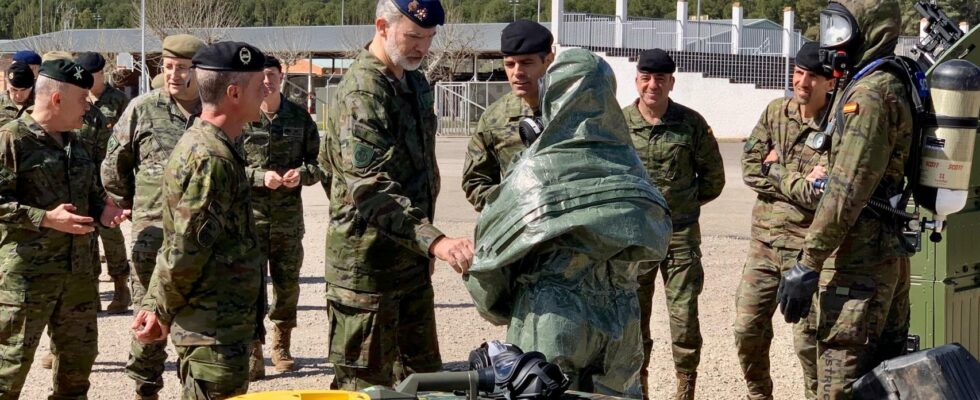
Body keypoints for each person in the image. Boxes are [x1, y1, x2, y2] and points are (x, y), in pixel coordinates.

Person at [465, 48, 672, 398]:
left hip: (552, 313)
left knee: (540, 391)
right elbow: (656, 236)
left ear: (553, 96)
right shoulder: (632, 167)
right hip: (622, 317)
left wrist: (501, 305)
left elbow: (490, 262)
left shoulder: (534, 170)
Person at [318, 0, 475, 390]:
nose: (421, 48)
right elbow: (368, 187)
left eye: (428, 38)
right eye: (413, 36)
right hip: (367, 275)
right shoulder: (363, 91)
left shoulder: (413, 81)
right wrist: (433, 240)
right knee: (365, 390)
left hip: (408, 262)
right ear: (382, 27)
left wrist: (418, 246)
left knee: (426, 385)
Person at [777, 1, 914, 398]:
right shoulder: (888, 79)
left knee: (839, 384)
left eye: (841, 30)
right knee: (882, 384)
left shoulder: (869, 96)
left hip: (860, 264)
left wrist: (807, 263)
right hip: (883, 253)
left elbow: (845, 191)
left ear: (868, 31)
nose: (832, 41)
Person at [131, 41, 268, 400]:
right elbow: (186, 248)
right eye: (259, 85)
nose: (267, 89)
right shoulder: (212, 158)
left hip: (214, 323)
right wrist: (158, 308)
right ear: (234, 93)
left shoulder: (207, 143)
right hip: (214, 326)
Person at [0, 59, 129, 399]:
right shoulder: (12, 140)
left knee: (77, 370)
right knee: (8, 371)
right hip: (27, 279)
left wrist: (105, 211)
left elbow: (90, 195)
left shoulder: (76, 143)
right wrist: (44, 218)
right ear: (56, 100)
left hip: (78, 277)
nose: (88, 105)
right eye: (81, 98)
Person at [101, 33, 206, 400]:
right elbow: (114, 164)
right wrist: (131, 204)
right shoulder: (143, 108)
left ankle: (196, 388)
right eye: (169, 67)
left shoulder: (213, 110)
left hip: (201, 237)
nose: (175, 75)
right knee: (149, 311)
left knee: (197, 316)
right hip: (152, 235)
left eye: (183, 68)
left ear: (199, 70)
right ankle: (146, 389)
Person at [623, 48, 725, 400]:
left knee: (684, 317)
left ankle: (685, 388)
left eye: (661, 79)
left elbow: (714, 178)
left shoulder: (690, 123)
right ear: (637, 80)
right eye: (647, 78)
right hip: (635, 239)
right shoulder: (619, 125)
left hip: (679, 236)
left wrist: (680, 208)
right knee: (634, 317)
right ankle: (639, 387)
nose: (653, 85)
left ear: (671, 82)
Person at [734, 42, 834, 400]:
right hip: (763, 244)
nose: (803, 82)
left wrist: (773, 168)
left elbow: (820, 194)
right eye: (798, 73)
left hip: (804, 250)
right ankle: (759, 395)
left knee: (808, 343)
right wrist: (798, 178)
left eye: (812, 76)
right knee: (746, 329)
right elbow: (749, 168)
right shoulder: (776, 111)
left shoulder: (837, 124)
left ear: (829, 82)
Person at [242, 55, 322, 377]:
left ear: (281, 77)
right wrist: (260, 178)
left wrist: (301, 174)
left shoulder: (300, 118)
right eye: (261, 76)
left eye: (271, 75)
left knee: (287, 287)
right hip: (252, 221)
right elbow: (231, 166)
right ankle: (253, 348)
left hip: (288, 222)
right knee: (252, 286)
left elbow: (319, 165)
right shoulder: (244, 118)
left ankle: (281, 343)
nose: (266, 82)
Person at [461, 19, 553, 210]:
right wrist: (513, 204)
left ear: (548, 60)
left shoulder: (573, 109)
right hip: (520, 230)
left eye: (527, 63)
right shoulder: (494, 118)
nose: (517, 72)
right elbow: (475, 181)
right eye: (509, 64)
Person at [76, 51, 131, 314]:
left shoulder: (118, 101)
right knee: (86, 235)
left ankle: (121, 286)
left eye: (91, 75)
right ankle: (92, 291)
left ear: (101, 73)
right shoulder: (77, 101)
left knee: (111, 234)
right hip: (81, 179)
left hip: (107, 178)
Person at [76, 52, 132, 127]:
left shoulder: (120, 99)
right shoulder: (77, 98)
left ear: (101, 73)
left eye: (88, 76)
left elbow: (129, 128)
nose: (85, 80)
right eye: (82, 76)